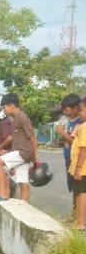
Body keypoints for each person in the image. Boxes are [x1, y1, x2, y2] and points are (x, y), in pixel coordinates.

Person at [0, 93, 38, 202]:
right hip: (22, 152)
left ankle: (3, 193)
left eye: (4, 107)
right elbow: (15, 137)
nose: (3, 110)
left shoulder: (22, 117)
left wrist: (35, 156)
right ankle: (24, 207)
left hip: (23, 152)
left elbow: (33, 137)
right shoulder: (15, 118)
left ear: (11, 105)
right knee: (23, 182)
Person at [55, 94, 83, 196]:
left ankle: (78, 210)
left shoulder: (80, 121)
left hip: (76, 158)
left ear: (75, 108)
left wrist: (63, 133)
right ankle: (75, 209)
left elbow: (76, 142)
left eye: (65, 108)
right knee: (72, 184)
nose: (63, 111)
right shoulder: (67, 120)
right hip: (68, 156)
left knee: (78, 186)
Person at [68, 97, 86, 233]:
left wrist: (78, 168)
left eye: (81, 110)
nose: (79, 113)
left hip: (83, 168)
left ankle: (80, 224)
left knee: (81, 193)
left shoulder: (84, 127)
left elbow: (83, 148)